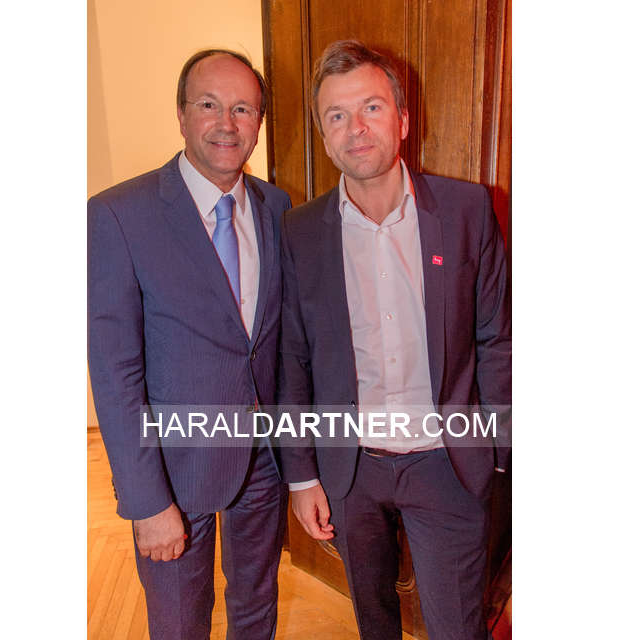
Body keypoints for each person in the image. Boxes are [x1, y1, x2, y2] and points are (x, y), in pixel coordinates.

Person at [278, 40, 511, 640]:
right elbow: (294, 360)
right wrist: (302, 476)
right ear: (323, 135)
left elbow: (496, 338)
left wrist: (502, 451)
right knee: (372, 622)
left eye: (372, 107)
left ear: (403, 119)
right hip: (349, 471)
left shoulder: (467, 210)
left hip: (448, 464)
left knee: (458, 628)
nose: (355, 128)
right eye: (336, 115)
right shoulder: (300, 232)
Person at [88, 49, 291, 640]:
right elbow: (115, 374)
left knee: (257, 606)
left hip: (264, 460)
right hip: (173, 471)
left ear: (258, 123)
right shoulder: (118, 215)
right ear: (180, 114)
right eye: (209, 105)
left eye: (243, 108)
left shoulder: (277, 208)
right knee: (179, 623)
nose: (227, 123)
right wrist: (147, 502)